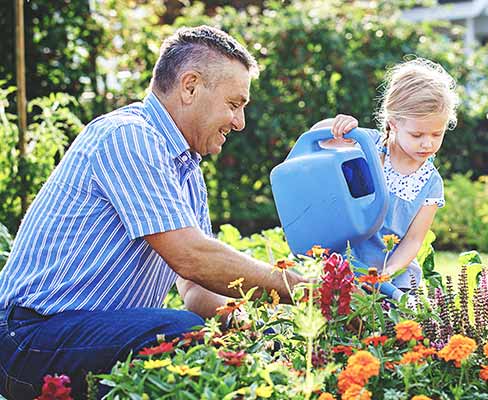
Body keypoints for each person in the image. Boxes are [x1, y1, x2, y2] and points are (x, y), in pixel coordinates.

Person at [0, 25, 304, 399]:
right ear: (190, 87)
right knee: (181, 333)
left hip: (74, 335)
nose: (239, 122)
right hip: (30, 339)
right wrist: (301, 289)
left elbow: (195, 287)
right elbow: (191, 258)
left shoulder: (186, 169)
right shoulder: (129, 136)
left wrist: (244, 327)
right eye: (234, 104)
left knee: (200, 334)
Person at [310, 57, 458, 292]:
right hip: (347, 270)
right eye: (417, 135)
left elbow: (413, 241)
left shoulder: (431, 184)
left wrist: (387, 273)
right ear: (394, 123)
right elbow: (318, 141)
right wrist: (337, 126)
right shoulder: (366, 144)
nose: (427, 144)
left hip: (396, 281)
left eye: (436, 134)